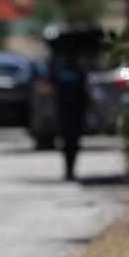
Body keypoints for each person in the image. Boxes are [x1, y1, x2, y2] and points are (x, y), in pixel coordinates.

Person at [52, 53, 89, 181]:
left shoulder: (60, 73)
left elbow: (52, 90)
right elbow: (85, 92)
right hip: (71, 113)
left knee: (69, 143)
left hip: (69, 113)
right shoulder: (78, 73)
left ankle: (69, 170)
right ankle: (69, 170)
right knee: (70, 143)